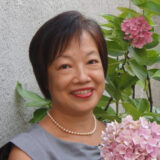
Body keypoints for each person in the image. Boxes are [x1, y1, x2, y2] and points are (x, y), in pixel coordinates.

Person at [8, 10, 108, 160]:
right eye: (65, 66)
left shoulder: (122, 137)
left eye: (91, 62)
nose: (82, 77)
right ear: (44, 77)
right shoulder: (27, 154)